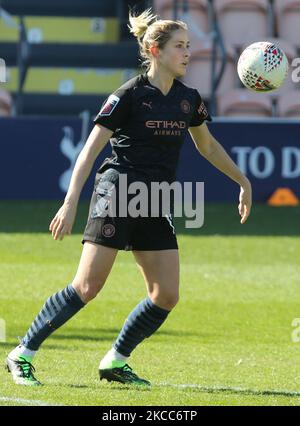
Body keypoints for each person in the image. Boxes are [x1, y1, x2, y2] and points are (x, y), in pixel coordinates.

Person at [6, 8, 252, 387]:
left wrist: (242, 181)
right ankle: (22, 353)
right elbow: (88, 152)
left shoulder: (189, 100)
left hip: (155, 199)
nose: (188, 53)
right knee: (87, 287)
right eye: (180, 47)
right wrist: (71, 201)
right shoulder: (129, 95)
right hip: (117, 193)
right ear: (155, 50)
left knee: (166, 294)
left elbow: (208, 148)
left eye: (189, 46)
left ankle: (115, 361)